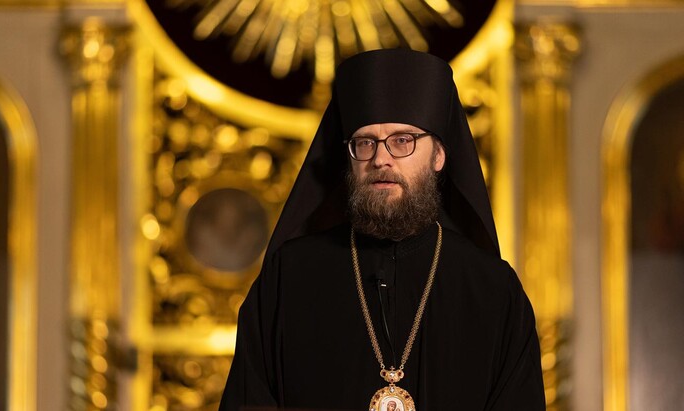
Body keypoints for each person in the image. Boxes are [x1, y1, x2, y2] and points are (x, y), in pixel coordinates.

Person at [220, 48, 545, 410]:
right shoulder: (289, 277)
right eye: (365, 142)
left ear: (438, 154)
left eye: (402, 141)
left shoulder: (493, 291)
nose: (381, 158)